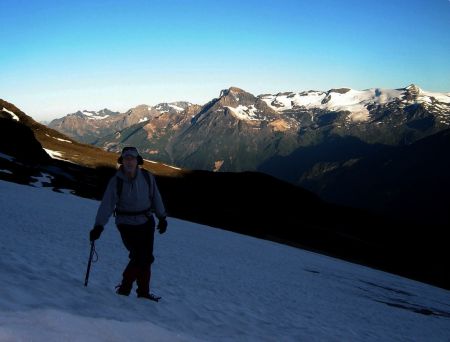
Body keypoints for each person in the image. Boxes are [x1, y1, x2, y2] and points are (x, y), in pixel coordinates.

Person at [89, 146, 168, 301]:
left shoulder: (147, 177)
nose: (129, 161)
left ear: (138, 161)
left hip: (146, 222)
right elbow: (107, 205)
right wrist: (99, 226)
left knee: (146, 257)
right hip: (126, 224)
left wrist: (162, 217)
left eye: (132, 158)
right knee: (140, 256)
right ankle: (126, 288)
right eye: (126, 158)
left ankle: (143, 292)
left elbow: (155, 197)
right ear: (122, 161)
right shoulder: (116, 181)